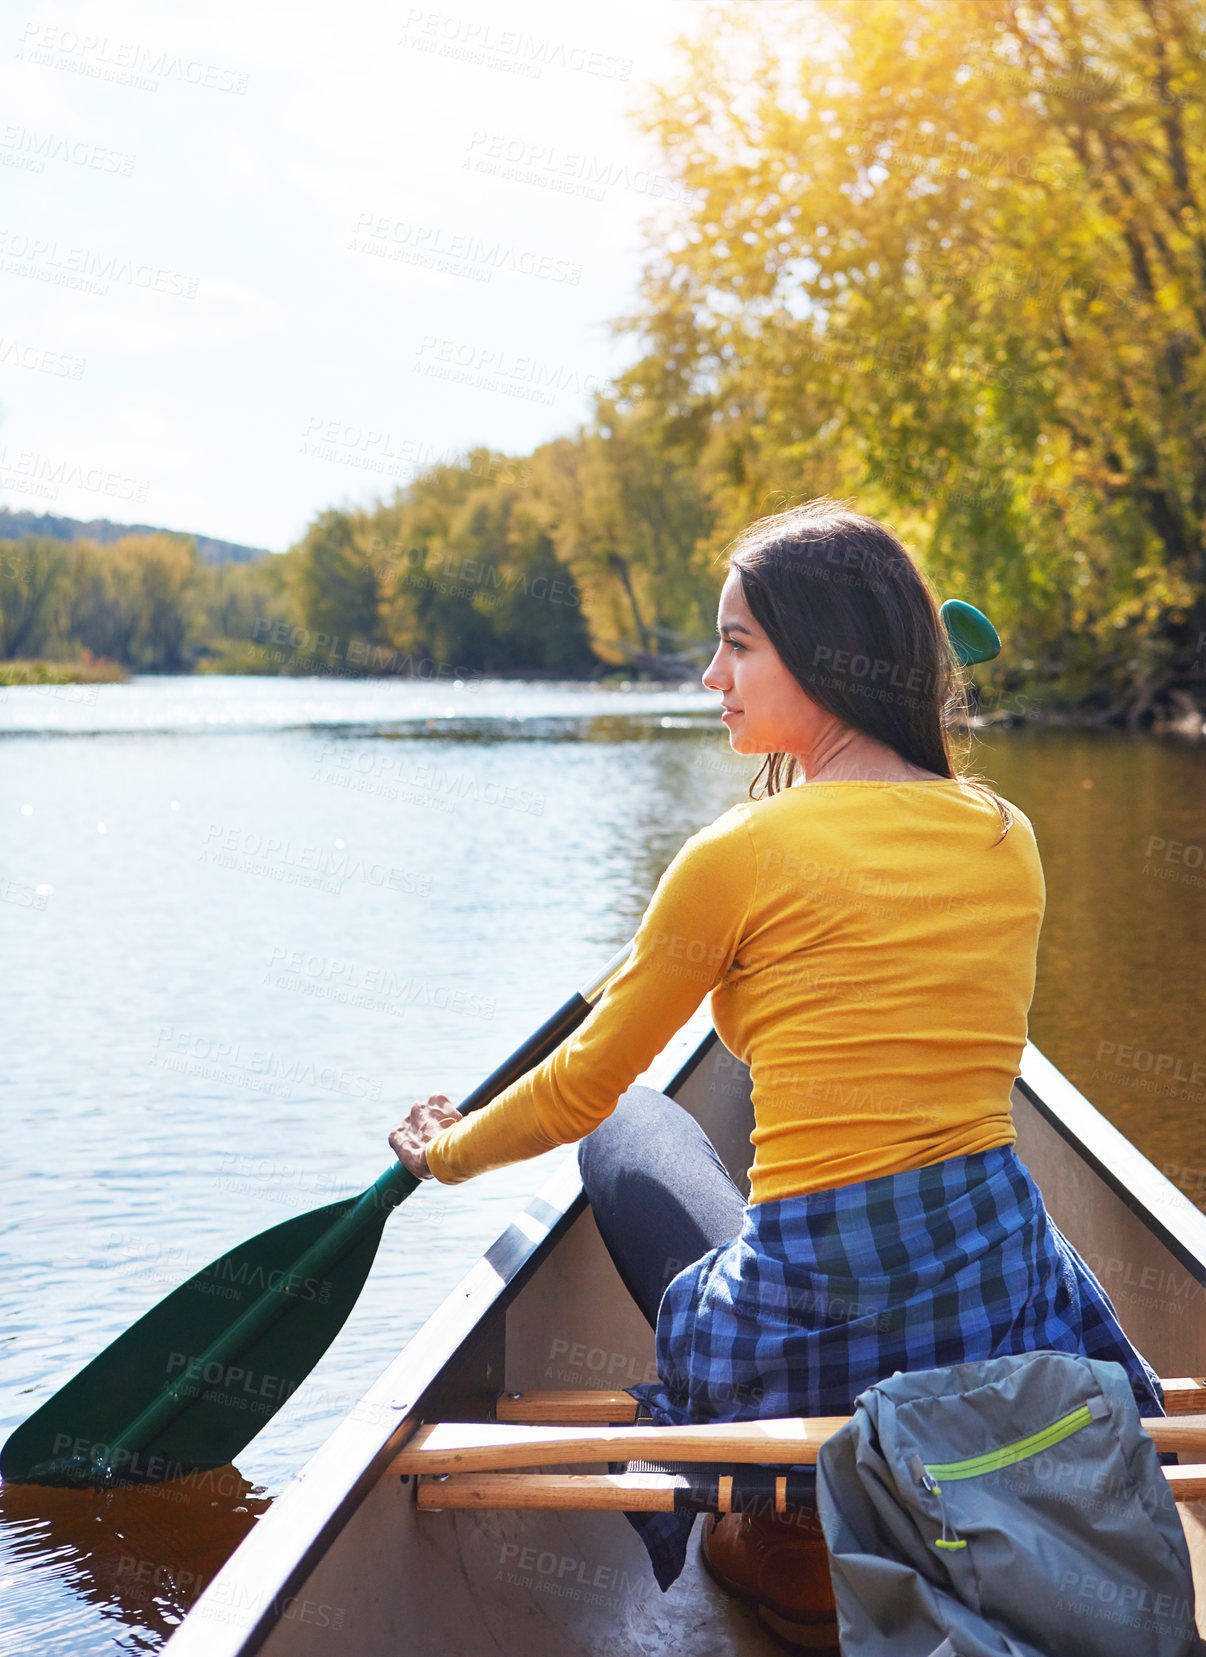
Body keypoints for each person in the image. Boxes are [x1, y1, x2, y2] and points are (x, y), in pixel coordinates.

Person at [388, 499, 1162, 1651]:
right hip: (994, 1310)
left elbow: (578, 1094)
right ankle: (882, 1505)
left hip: (812, 1326)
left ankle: (794, 1539)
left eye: (737, 643)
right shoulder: (1009, 833)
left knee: (631, 1129)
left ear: (825, 650)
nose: (711, 674)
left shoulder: (736, 854)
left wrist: (445, 1150)